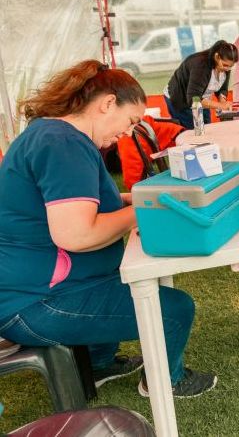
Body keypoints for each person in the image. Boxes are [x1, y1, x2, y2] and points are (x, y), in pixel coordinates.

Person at [0, 60, 216, 397]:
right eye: (131, 121)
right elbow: (77, 234)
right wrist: (145, 209)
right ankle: (166, 381)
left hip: (38, 290)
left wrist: (142, 196)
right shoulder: (63, 144)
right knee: (175, 309)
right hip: (37, 302)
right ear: (107, 103)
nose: (129, 133)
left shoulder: (53, 134)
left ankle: (99, 364)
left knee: (124, 277)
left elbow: (86, 200)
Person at [164, 40, 238, 129]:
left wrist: (222, 100)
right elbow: (193, 99)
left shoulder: (225, 66)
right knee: (193, 131)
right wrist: (220, 105)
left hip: (202, 98)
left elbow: (222, 88)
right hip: (180, 98)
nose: (227, 69)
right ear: (217, 56)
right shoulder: (200, 66)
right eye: (225, 65)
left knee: (207, 128)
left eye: (231, 66)